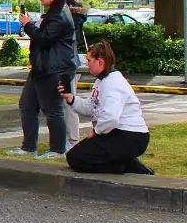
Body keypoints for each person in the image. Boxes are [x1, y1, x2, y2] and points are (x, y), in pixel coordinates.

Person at [7, 0, 76, 159]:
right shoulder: (54, 12)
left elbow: (44, 39)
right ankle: (29, 146)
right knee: (27, 105)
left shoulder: (59, 14)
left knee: (52, 109)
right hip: (42, 66)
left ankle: (58, 149)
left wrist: (28, 25)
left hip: (54, 68)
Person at [60, 41, 153, 174]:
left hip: (130, 136)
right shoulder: (101, 81)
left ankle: (126, 166)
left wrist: (96, 132)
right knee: (75, 156)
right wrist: (71, 99)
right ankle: (124, 162)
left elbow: (111, 117)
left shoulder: (114, 83)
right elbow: (91, 107)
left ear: (100, 62)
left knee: (77, 158)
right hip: (115, 132)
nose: (87, 64)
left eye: (89, 60)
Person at [63, 0, 90, 151]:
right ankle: (70, 137)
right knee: (66, 99)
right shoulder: (76, 11)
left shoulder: (68, 13)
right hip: (75, 58)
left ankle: (72, 139)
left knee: (68, 99)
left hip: (69, 60)